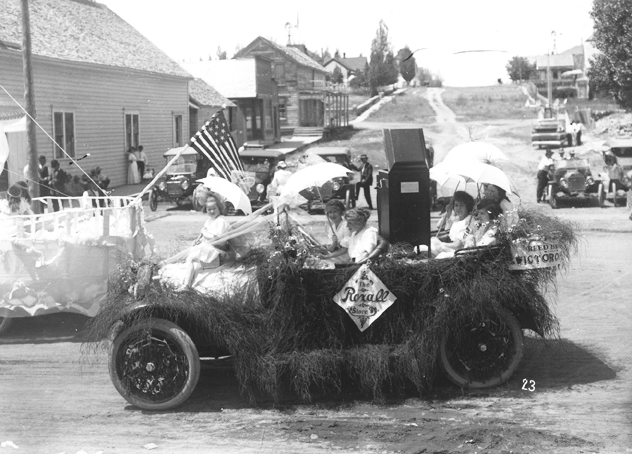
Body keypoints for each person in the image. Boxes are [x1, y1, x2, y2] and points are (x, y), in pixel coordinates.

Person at [182, 193, 232, 288]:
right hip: (209, 249)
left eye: (214, 208)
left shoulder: (221, 222)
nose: (212, 211)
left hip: (216, 252)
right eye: (209, 209)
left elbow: (217, 239)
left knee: (193, 259)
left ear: (219, 208)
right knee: (191, 257)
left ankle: (186, 285)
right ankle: (186, 282)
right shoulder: (209, 220)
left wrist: (205, 234)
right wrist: (198, 239)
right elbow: (203, 234)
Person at [425, 191, 474, 257]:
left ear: (468, 207)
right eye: (456, 205)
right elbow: (439, 226)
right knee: (423, 247)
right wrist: (448, 212)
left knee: (431, 250)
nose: (458, 208)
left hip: (458, 252)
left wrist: (440, 244)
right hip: (449, 248)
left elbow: (458, 245)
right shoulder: (457, 219)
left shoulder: (469, 221)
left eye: (461, 205)